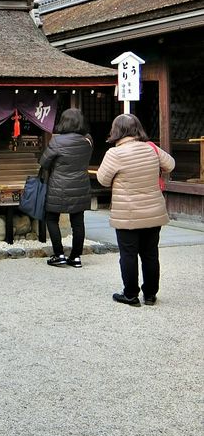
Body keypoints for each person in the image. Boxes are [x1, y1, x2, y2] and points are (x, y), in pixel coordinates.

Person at [96, 114, 175, 307]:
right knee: (150, 254)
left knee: (128, 254)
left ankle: (130, 294)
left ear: (116, 131)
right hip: (153, 212)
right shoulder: (152, 149)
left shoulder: (115, 153)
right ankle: (150, 294)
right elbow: (170, 164)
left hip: (127, 213)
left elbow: (103, 180)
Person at [39, 108, 93, 268]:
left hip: (58, 187)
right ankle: (76, 257)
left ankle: (59, 254)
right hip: (81, 185)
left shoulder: (57, 141)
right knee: (78, 222)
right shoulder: (88, 140)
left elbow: (44, 162)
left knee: (51, 218)